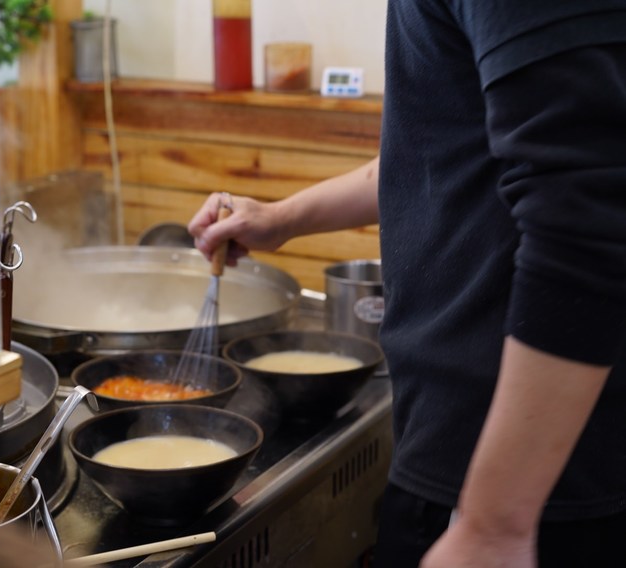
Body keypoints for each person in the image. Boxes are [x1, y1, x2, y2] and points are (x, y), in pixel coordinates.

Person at [188, 1, 626, 566]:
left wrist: (496, 523)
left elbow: (586, 216)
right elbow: (431, 156)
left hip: (515, 483)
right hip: (488, 463)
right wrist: (282, 218)